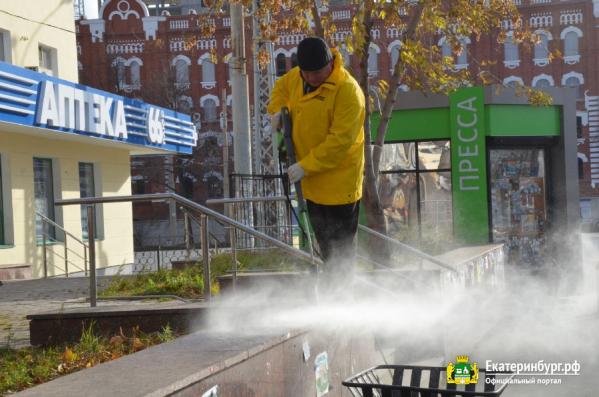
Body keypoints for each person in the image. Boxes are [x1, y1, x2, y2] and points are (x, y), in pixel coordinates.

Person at [267, 37, 365, 289]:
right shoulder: (297, 77)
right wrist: (277, 111)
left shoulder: (348, 91)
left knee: (339, 252)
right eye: (306, 73)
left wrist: (304, 166)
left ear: (330, 63)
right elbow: (280, 88)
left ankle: (342, 303)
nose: (311, 78)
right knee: (321, 246)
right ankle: (329, 298)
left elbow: (339, 143)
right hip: (310, 184)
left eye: (317, 72)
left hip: (339, 187)